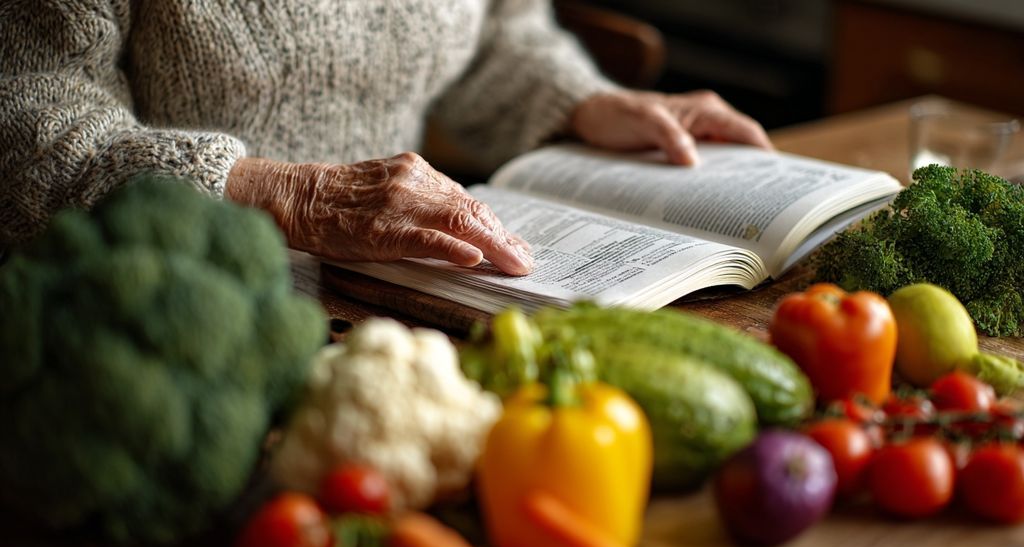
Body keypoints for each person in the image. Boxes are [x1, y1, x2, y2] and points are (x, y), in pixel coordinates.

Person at [0, 0, 772, 275]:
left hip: (384, 294)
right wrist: (286, 196)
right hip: (140, 307)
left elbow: (498, 31)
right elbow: (25, 109)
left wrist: (583, 100)